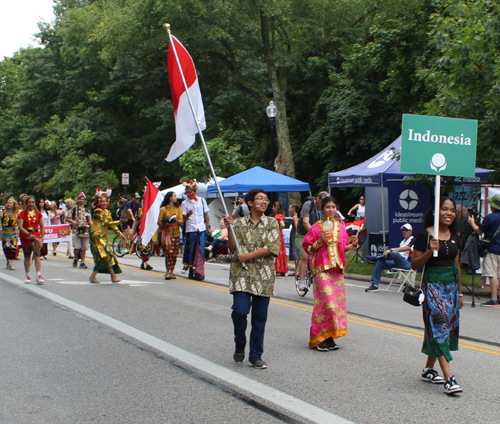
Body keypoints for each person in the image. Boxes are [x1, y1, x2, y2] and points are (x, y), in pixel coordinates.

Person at [411, 197, 463, 395]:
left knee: (443, 328)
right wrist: (430, 250)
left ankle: (428, 370)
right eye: (444, 209)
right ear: (436, 212)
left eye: (452, 210)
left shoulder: (455, 236)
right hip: (432, 285)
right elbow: (414, 265)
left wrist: (459, 293)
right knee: (439, 326)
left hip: (450, 287)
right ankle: (449, 379)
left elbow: (456, 265)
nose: (449, 213)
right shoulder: (424, 235)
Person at [223, 189, 280, 369]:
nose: (264, 202)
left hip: (263, 276)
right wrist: (230, 228)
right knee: (239, 311)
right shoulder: (238, 223)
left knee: (259, 318)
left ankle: (256, 355)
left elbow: (272, 248)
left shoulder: (272, 223)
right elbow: (232, 248)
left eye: (266, 199)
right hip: (241, 274)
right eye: (260, 199)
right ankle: (240, 342)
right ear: (249, 203)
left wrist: (248, 256)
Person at [302, 196, 359, 351]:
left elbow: (344, 247)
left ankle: (330, 337)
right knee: (326, 303)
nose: (331, 210)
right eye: (328, 207)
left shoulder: (341, 227)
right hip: (322, 270)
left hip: (337, 270)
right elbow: (308, 249)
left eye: (334, 207)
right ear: (322, 210)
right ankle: (319, 337)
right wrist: (320, 240)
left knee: (337, 306)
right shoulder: (315, 228)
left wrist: (352, 245)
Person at [467, 194, 500, 306]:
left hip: (493, 249)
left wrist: (472, 222)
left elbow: (479, 231)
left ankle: (494, 298)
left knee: (493, 274)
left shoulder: (490, 217)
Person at [89, 189, 127, 284]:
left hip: (102, 236)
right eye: (102, 201)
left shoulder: (106, 212)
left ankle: (110, 276)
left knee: (107, 255)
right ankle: (98, 276)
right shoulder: (98, 212)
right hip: (96, 236)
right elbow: (106, 223)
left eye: (105, 201)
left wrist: (120, 234)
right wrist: (119, 221)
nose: (104, 203)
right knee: (105, 255)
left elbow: (111, 225)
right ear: (99, 202)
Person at [364, 223, 415, 292]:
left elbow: (407, 248)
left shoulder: (413, 239)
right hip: (397, 262)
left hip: (407, 264)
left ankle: (376, 258)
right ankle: (374, 285)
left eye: (406, 230)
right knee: (381, 262)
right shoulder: (402, 242)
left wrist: (390, 250)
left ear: (410, 231)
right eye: (403, 230)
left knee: (394, 253)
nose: (404, 232)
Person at [296, 191, 329, 290]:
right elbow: (305, 222)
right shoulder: (308, 205)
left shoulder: (326, 208)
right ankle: (301, 281)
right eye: (322, 201)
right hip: (303, 234)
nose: (324, 204)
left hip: (319, 236)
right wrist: (314, 234)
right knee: (305, 256)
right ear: (317, 199)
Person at [181, 180, 212, 281]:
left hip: (201, 228)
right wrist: (188, 215)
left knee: (200, 250)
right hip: (191, 229)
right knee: (191, 250)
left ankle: (199, 271)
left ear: (194, 191)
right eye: (187, 192)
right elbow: (183, 219)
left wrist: (209, 227)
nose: (189, 194)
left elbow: (206, 214)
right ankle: (191, 268)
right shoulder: (184, 203)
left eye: (190, 192)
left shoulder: (202, 200)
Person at [18, 195, 45, 284]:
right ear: (26, 203)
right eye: (29, 202)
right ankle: (28, 274)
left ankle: (39, 275)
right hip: (26, 236)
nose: (31, 204)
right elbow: (20, 227)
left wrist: (42, 236)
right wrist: (28, 234)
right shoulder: (23, 213)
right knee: (27, 256)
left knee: (37, 254)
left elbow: (42, 225)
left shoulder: (38, 213)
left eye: (33, 202)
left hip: (36, 235)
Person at [158, 191, 184, 279]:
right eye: (174, 196)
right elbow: (159, 222)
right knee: (168, 252)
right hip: (167, 233)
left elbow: (181, 220)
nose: (176, 197)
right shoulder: (163, 209)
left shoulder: (178, 208)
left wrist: (180, 222)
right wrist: (166, 223)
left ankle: (172, 271)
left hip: (176, 232)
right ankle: (167, 271)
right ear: (170, 198)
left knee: (174, 253)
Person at [67, 193, 92, 269]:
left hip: (85, 230)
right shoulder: (74, 209)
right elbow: (67, 218)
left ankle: (82, 262)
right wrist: (73, 222)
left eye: (83, 199)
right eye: (80, 199)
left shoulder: (87, 210)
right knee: (77, 247)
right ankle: (76, 258)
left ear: (85, 201)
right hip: (76, 230)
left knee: (84, 247)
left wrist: (92, 225)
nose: (81, 200)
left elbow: (89, 219)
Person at [0, 197, 19, 270]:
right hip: (5, 232)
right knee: (6, 248)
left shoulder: (16, 212)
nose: (9, 204)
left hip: (13, 232)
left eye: (10, 203)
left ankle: (11, 263)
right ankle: (8, 261)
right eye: (8, 203)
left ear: (13, 205)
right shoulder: (3, 212)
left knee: (13, 248)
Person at [272, 201, 288, 276]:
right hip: (280, 235)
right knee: (281, 251)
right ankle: (282, 269)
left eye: (273, 207)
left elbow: (282, 224)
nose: (272, 208)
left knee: (278, 251)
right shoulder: (281, 215)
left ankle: (278, 269)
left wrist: (278, 230)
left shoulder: (277, 216)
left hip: (278, 234)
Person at [288, 204, 300, 276]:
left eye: (290, 207)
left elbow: (296, 226)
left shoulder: (295, 217)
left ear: (294, 208)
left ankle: (297, 270)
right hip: (294, 234)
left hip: (295, 234)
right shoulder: (297, 216)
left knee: (295, 251)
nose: (289, 209)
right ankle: (297, 269)